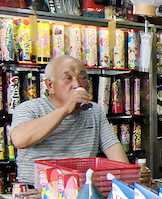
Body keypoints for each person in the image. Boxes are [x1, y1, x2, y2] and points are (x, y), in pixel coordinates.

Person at [9, 53, 128, 187]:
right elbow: (19, 140)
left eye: (82, 78)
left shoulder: (94, 111)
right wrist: (65, 110)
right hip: (36, 191)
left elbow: (116, 155)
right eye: (68, 78)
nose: (77, 84)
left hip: (81, 189)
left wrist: (129, 179)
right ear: (50, 85)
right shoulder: (30, 108)